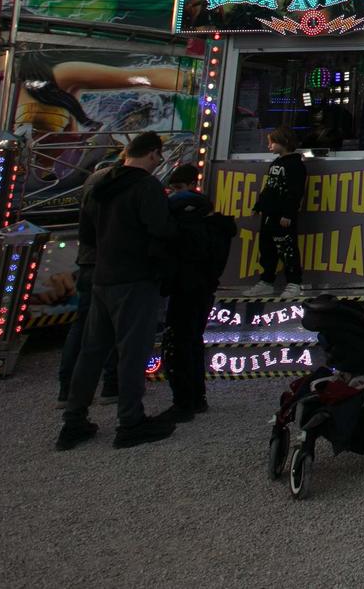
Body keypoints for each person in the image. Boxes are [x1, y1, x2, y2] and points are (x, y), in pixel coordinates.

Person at [56, 132, 178, 450]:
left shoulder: (100, 183)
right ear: (152, 154)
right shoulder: (145, 186)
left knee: (92, 350)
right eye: (158, 157)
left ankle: (74, 418)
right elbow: (162, 230)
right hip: (135, 277)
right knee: (132, 351)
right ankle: (130, 420)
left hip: (101, 275)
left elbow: (88, 229)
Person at [162, 163, 234, 420]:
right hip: (204, 289)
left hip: (184, 289)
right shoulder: (217, 226)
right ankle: (196, 396)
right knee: (193, 340)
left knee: (179, 343)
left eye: (178, 189)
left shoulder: (184, 227)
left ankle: (184, 400)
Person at [55, 145, 123, 404]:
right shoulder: (121, 184)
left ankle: (69, 389)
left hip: (88, 262)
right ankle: (111, 384)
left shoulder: (91, 185)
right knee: (116, 326)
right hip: (112, 264)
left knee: (84, 326)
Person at [254, 127, 307, 297]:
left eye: (272, 142)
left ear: (284, 142)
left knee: (287, 248)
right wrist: (259, 205)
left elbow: (295, 192)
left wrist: (288, 214)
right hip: (269, 214)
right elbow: (269, 187)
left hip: (282, 215)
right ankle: (267, 280)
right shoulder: (275, 163)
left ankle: (294, 282)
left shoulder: (295, 165)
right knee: (266, 248)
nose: (269, 145)